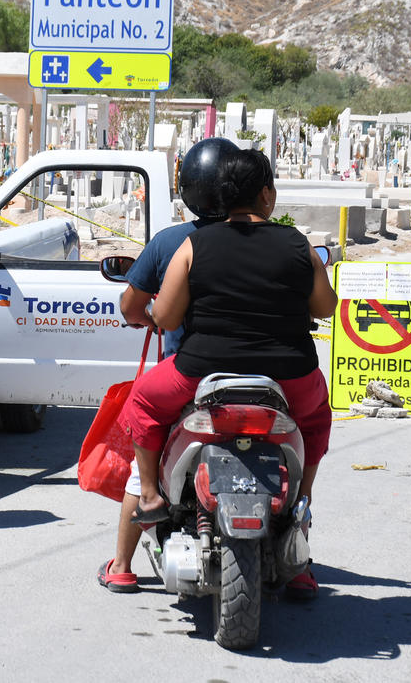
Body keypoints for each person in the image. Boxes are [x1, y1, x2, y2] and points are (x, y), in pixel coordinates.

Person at [117, 148, 337, 598]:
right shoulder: (296, 243)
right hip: (288, 376)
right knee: (315, 417)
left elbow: (168, 317)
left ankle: (153, 496)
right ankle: (301, 500)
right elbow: (325, 307)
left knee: (142, 399)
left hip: (203, 374)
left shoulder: (194, 245)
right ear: (267, 195)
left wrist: (161, 310)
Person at [98, 137, 239, 594]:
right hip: (260, 374)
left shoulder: (171, 242)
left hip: (188, 375)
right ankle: (299, 568)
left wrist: (154, 316)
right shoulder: (265, 240)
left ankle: (121, 564)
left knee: (148, 457)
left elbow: (131, 308)